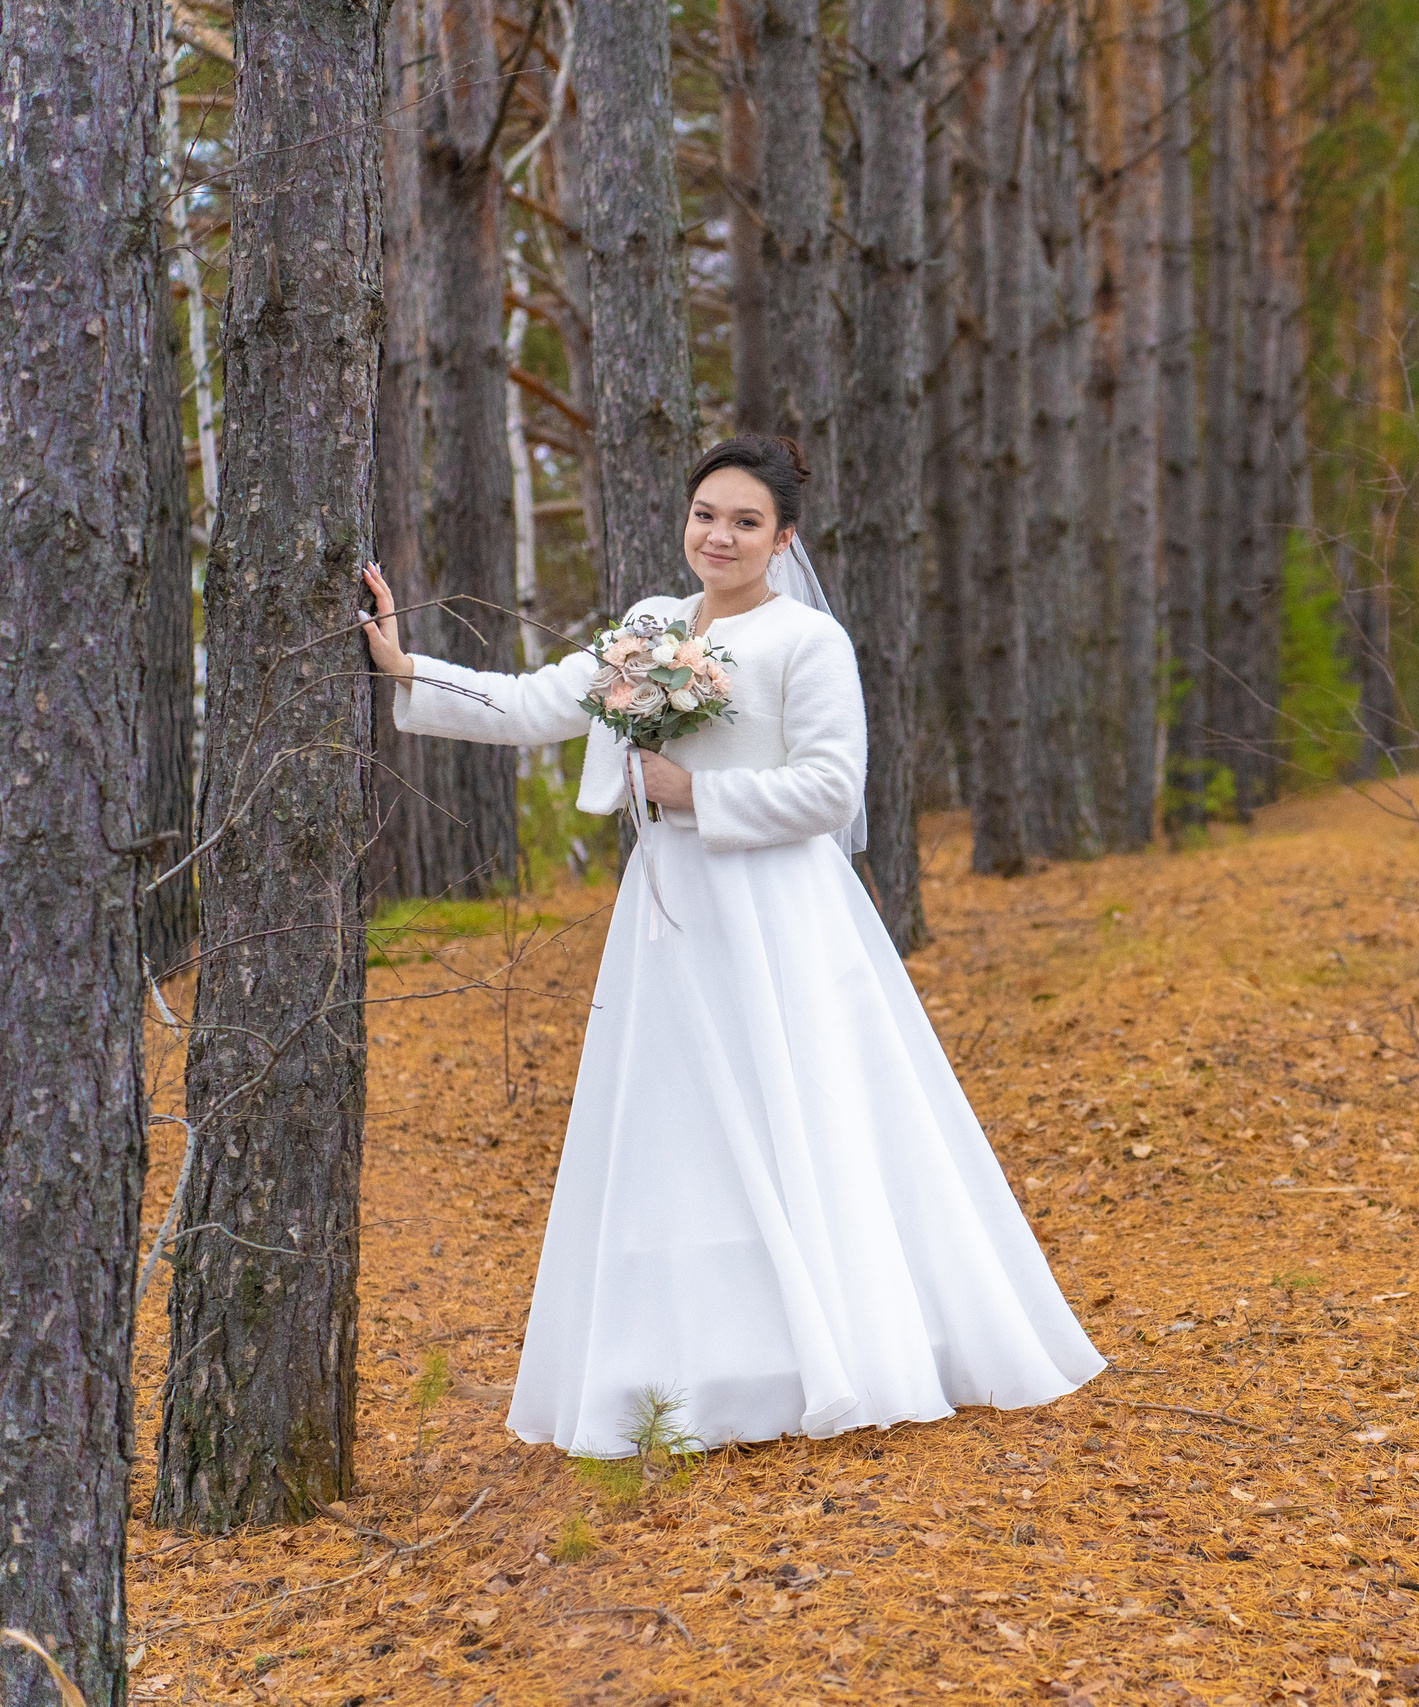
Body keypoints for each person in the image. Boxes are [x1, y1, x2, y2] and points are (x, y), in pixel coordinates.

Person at [358, 433, 1104, 1457]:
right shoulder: (650, 627)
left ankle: (841, 1349)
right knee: (678, 1122)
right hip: (668, 905)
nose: (721, 535)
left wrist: (694, 792)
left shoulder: (808, 642)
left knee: (797, 1112)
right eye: (707, 513)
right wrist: (408, 668)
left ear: (783, 537)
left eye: (747, 521)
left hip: (779, 911)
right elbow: (540, 702)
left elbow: (835, 788)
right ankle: (699, 1363)